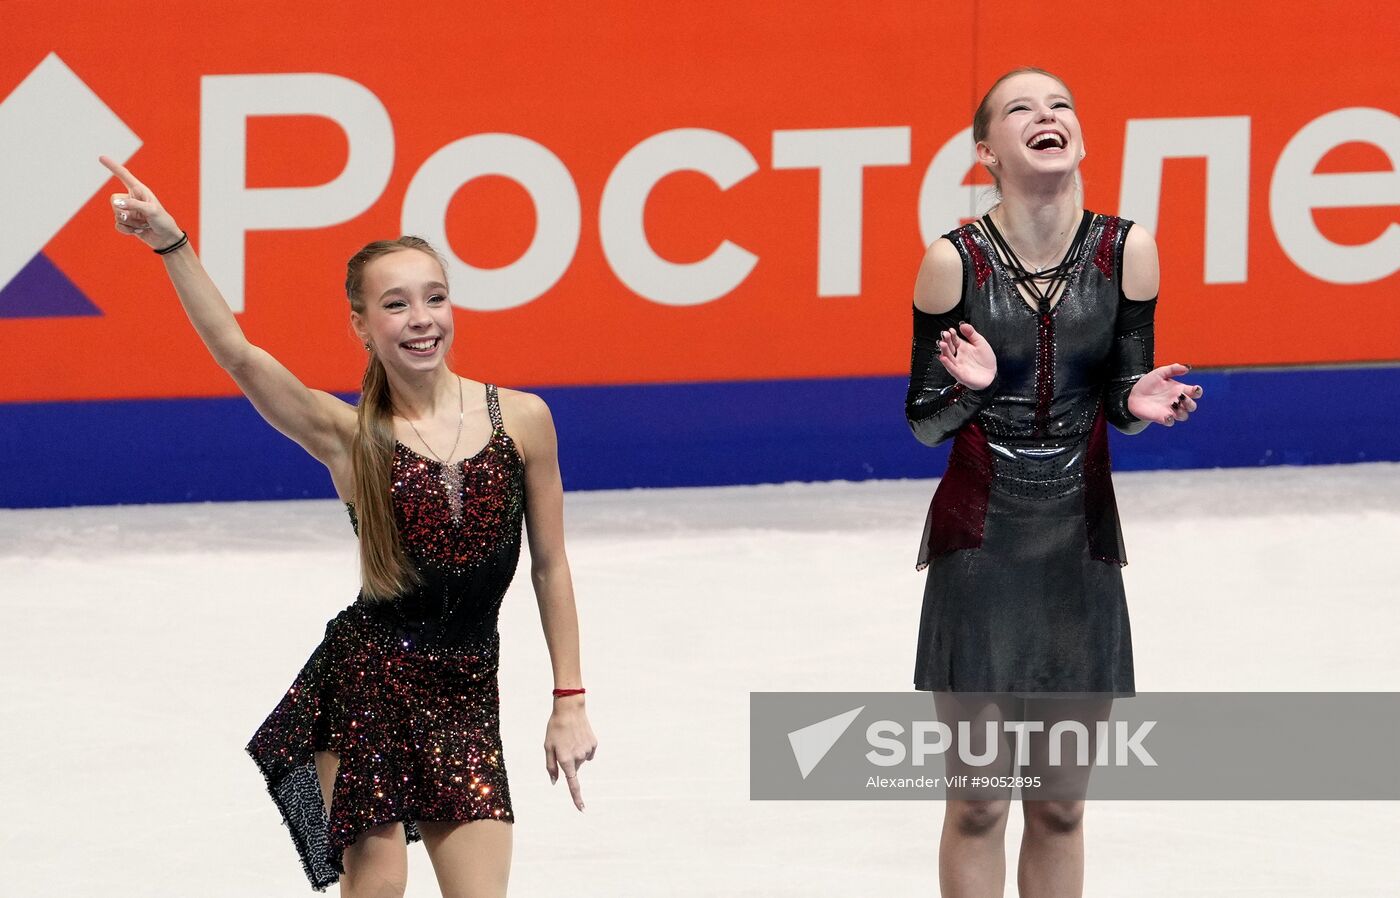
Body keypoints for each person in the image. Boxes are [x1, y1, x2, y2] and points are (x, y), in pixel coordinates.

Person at [100, 155, 596, 897]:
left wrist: (569, 700)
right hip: (367, 683)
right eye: (395, 305)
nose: (421, 319)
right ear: (361, 326)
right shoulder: (351, 436)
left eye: (435, 298)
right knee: (378, 888)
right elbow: (239, 356)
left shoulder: (523, 420)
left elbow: (550, 565)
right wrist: (174, 246)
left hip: (465, 694)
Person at [903, 68, 1202, 897]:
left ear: (1080, 136)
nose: (1048, 116)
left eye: (1062, 103)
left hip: (1079, 545)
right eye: (1021, 109)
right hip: (980, 545)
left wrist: (1135, 406)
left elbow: (1122, 394)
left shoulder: (1126, 251)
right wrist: (968, 386)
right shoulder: (951, 262)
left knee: (1061, 807)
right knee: (978, 804)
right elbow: (924, 422)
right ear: (985, 152)